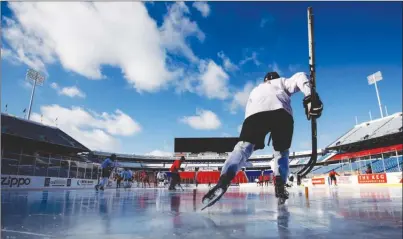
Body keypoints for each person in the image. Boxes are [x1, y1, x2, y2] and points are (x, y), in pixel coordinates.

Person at [202, 71, 323, 206]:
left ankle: (224, 179)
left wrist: (251, 134)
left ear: (264, 80)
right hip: (281, 113)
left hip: (255, 115)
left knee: (243, 147)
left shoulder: (255, 90)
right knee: (281, 152)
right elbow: (300, 76)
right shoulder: (281, 82)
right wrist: (310, 94)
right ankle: (280, 184)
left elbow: (249, 112)